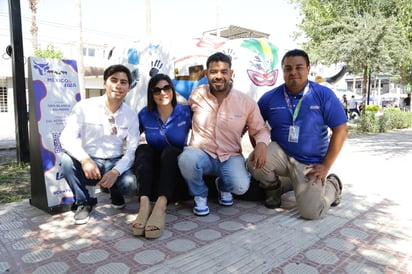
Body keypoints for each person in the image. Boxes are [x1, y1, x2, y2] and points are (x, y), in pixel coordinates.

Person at [246, 49, 347, 220]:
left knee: (312, 213)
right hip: (281, 154)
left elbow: (341, 130)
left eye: (299, 67)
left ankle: (333, 185)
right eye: (288, 68)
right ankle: (273, 188)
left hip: (310, 162)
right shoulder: (270, 98)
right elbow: (255, 125)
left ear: (308, 69)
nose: (293, 72)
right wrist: (259, 147)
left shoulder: (323, 95)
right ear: (282, 71)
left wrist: (326, 166)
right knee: (255, 161)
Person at [178, 52, 270, 216]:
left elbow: (260, 129)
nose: (218, 76)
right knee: (186, 159)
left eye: (223, 72)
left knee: (240, 187)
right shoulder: (197, 95)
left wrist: (262, 144)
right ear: (206, 74)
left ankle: (223, 185)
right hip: (201, 152)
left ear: (231, 73)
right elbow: (183, 114)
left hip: (230, 155)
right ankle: (200, 195)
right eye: (213, 72)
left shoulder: (246, 102)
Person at [60, 64, 139, 225]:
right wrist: (84, 159)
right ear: (105, 83)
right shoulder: (85, 106)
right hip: (91, 160)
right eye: (114, 80)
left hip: (115, 161)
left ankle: (115, 191)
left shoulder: (131, 115)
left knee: (131, 184)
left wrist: (116, 171)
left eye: (123, 82)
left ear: (128, 88)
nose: (118, 85)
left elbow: (132, 149)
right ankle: (84, 203)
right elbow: (66, 138)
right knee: (66, 161)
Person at [132, 73, 191, 238]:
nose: (162, 93)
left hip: (176, 174)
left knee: (170, 151)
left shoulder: (185, 112)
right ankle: (144, 206)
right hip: (153, 175)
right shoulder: (145, 114)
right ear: (151, 94)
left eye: (166, 88)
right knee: (143, 149)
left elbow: (204, 131)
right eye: (156, 90)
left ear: (172, 90)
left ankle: (160, 207)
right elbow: (130, 140)